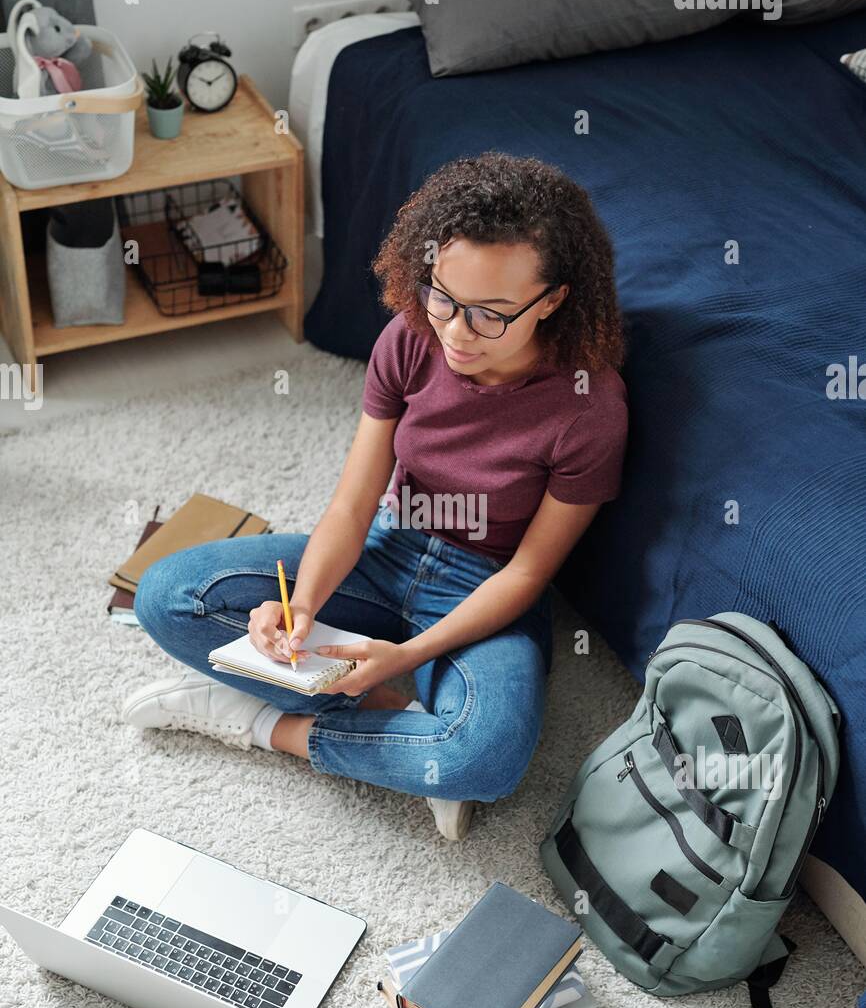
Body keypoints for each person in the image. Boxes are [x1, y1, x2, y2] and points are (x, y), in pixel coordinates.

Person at [123, 152, 628, 839]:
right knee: (166, 595)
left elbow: (530, 573)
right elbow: (352, 508)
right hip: (386, 547)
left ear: (553, 300)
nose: (455, 331)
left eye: (490, 316)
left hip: (484, 587)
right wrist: (302, 607)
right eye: (442, 296)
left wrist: (408, 658)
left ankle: (265, 724)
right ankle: (396, 730)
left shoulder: (588, 407)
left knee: (486, 759)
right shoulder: (410, 339)